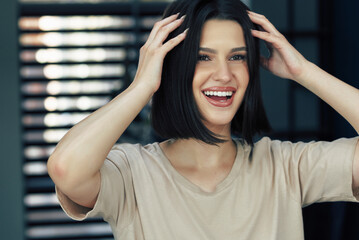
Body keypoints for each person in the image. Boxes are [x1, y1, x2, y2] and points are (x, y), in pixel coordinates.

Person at [47, 0, 359, 239]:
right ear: (173, 67)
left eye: (237, 57)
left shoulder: (285, 167)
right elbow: (65, 169)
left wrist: (303, 72)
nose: (224, 75)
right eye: (202, 57)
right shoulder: (131, 174)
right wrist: (143, 86)